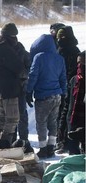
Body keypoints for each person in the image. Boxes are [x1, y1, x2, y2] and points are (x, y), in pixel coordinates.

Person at [26, 34, 67, 159]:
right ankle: (51, 147)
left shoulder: (39, 57)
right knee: (53, 122)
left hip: (43, 96)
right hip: (57, 95)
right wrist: (63, 93)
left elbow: (33, 76)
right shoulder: (59, 58)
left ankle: (43, 149)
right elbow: (63, 78)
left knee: (41, 123)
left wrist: (28, 92)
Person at [0, 23, 26, 146]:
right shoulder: (4, 48)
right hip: (9, 87)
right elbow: (18, 67)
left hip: (1, 87)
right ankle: (3, 146)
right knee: (12, 119)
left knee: (3, 118)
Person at [55, 25, 80, 154]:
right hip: (60, 86)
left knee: (67, 115)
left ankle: (65, 142)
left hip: (71, 87)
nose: (60, 39)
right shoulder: (61, 49)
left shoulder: (73, 51)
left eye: (62, 37)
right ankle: (61, 141)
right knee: (62, 115)